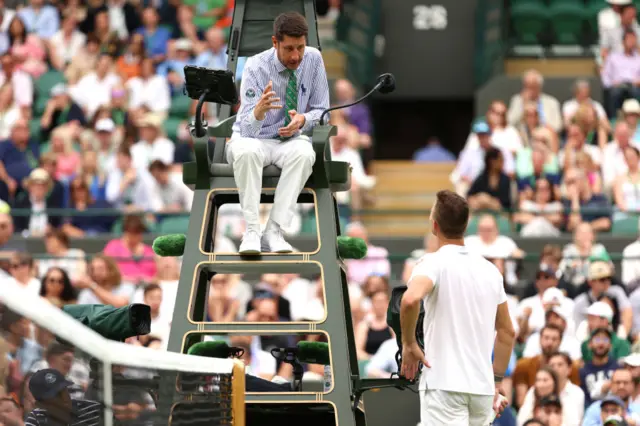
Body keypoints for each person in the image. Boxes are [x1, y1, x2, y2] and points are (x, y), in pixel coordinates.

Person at [399, 190, 515, 425]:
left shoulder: (431, 263)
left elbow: (410, 300)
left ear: (434, 225)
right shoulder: (491, 271)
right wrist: (497, 380)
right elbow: (507, 332)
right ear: (466, 225)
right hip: (481, 390)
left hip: (444, 386)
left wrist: (409, 343)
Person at [228, 11, 329, 255]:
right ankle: (251, 231)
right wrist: (258, 112)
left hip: (289, 141)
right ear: (275, 43)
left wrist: (303, 120)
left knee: (305, 152)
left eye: (300, 47)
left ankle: (274, 231)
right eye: (289, 48)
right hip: (254, 140)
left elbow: (323, 112)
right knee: (247, 150)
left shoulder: (314, 59)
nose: (296, 56)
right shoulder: (255, 66)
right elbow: (248, 130)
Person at [25, 368, 102, 425]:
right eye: (56, 395)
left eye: (64, 390)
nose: (64, 398)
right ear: (40, 404)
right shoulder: (37, 418)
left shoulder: (93, 410)